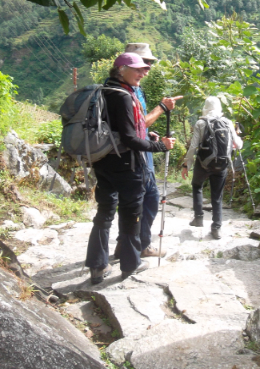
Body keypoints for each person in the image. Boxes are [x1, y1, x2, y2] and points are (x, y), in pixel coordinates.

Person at [85, 52, 176, 284]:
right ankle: (130, 264)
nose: (142, 73)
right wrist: (160, 146)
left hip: (103, 161)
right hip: (127, 165)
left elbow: (115, 130)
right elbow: (129, 139)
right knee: (130, 214)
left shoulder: (103, 91)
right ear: (121, 70)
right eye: (136, 69)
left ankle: (97, 266)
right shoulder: (124, 96)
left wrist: (146, 135)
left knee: (104, 213)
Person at [110, 43, 182, 260]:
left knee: (135, 201)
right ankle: (139, 246)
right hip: (136, 154)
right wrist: (162, 108)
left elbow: (134, 124)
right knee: (148, 198)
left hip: (134, 149)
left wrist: (147, 133)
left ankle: (125, 245)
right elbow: (137, 124)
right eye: (144, 63)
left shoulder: (129, 88)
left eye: (149, 64)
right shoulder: (126, 91)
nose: (147, 69)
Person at [181, 96, 242, 240]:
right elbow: (238, 145)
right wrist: (237, 139)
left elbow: (193, 147)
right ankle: (216, 228)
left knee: (197, 186)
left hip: (203, 163)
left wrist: (186, 165)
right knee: (217, 196)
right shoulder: (227, 122)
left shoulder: (201, 123)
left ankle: (198, 218)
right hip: (221, 164)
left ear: (205, 108)